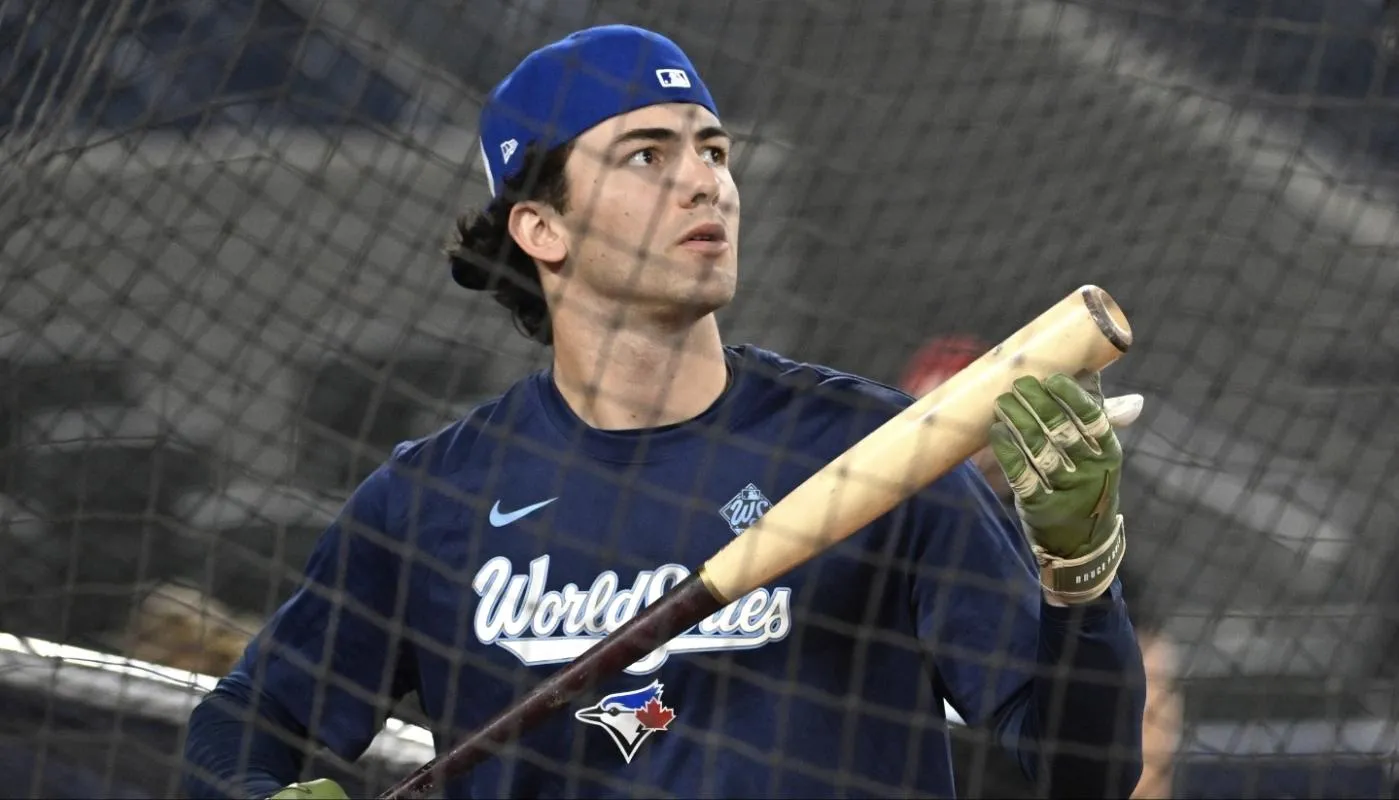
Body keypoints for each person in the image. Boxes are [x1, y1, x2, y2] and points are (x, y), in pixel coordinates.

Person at [181, 25, 1148, 800]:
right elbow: (239, 729)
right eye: (645, 154)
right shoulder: (432, 499)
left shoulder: (873, 454)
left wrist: (1080, 582)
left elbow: (1081, 772)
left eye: (712, 149)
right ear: (541, 227)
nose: (705, 181)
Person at [903, 335, 1183, 798]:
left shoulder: (1069, 548)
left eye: (960, 424)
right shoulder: (893, 550)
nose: (951, 448)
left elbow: (1146, 725)